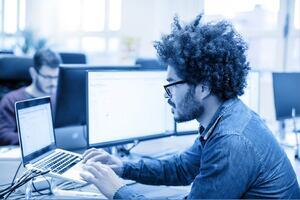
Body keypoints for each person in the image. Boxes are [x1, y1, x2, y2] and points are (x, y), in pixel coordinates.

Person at [80, 14, 300, 199]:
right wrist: (123, 167)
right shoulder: (226, 117)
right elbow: (182, 167)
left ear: (203, 88)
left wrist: (118, 191)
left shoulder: (231, 141)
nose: (167, 96)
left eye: (172, 85)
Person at [0, 49, 61, 145]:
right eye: (48, 77)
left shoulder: (60, 98)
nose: (53, 83)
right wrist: (39, 140)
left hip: (57, 149)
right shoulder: (11, 100)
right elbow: (3, 135)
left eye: (56, 77)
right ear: (33, 73)